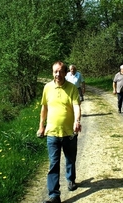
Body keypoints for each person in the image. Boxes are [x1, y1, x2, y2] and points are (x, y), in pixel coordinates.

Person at [37, 61, 82, 203]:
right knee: (53, 164)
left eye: (60, 71)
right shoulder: (47, 88)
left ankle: (71, 179)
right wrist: (41, 126)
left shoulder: (72, 88)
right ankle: (54, 195)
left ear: (65, 73)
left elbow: (76, 107)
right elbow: (44, 108)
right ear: (52, 73)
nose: (58, 74)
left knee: (70, 159)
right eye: (55, 72)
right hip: (52, 133)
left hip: (69, 133)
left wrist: (77, 121)